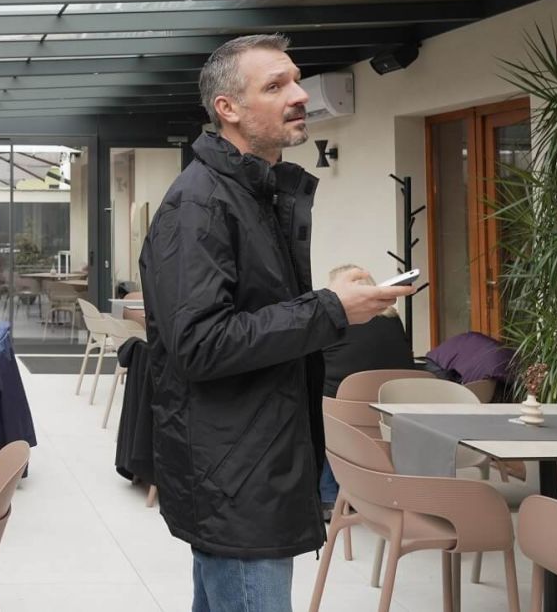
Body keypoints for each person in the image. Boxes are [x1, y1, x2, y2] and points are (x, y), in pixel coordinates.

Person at [139, 34, 413, 612]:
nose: (300, 95)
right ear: (228, 109)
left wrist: (333, 303)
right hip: (236, 478)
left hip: (253, 468)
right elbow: (200, 343)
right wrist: (330, 308)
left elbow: (251, 318)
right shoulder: (200, 204)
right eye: (275, 85)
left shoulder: (252, 194)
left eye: (296, 80)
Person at [318, 264, 415, 516]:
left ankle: (329, 496)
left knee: (316, 409)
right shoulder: (393, 321)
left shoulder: (331, 323)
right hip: (391, 414)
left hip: (345, 416)